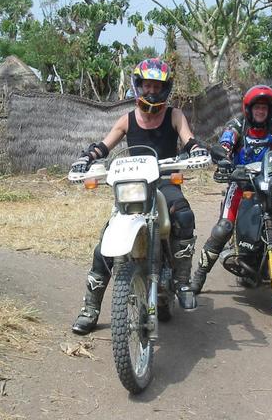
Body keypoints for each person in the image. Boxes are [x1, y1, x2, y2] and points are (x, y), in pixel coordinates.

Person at [71, 58, 208, 335]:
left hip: (165, 181)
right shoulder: (127, 119)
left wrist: (196, 150)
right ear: (138, 86)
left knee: (183, 214)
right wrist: (87, 158)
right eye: (147, 85)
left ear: (165, 88)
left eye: (157, 86)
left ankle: (182, 281)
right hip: (133, 185)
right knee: (105, 243)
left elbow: (189, 139)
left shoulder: (174, 115)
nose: (152, 92)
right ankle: (90, 308)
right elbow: (104, 146)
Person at [190, 85, 272, 294]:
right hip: (243, 184)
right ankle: (199, 275)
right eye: (257, 108)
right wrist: (223, 158)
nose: (261, 112)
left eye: (265, 108)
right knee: (223, 227)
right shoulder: (237, 127)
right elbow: (225, 144)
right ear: (248, 109)